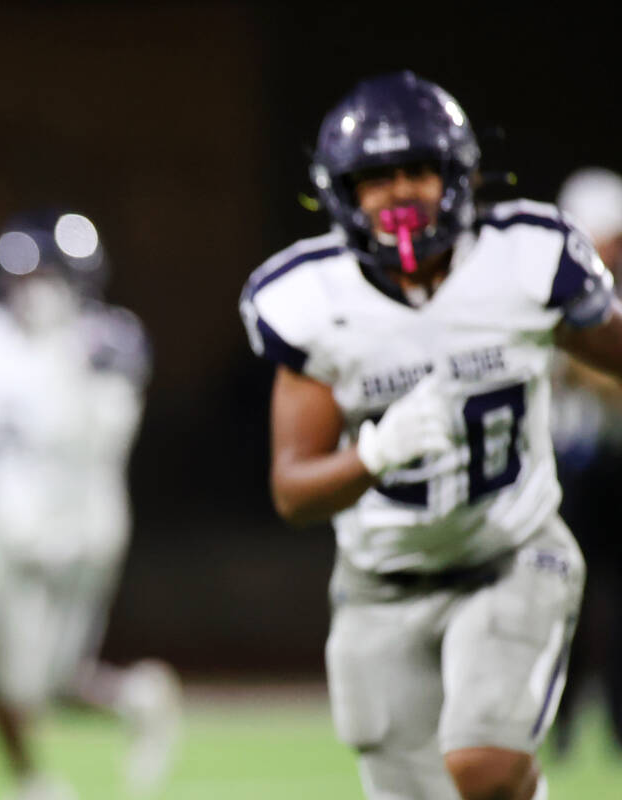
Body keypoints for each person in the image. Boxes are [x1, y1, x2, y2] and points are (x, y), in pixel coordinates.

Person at [239, 70, 622, 800]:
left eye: (417, 170)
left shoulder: (525, 260)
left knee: (481, 767)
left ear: (461, 176)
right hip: (382, 580)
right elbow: (293, 492)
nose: (400, 195)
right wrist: (376, 453)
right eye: (375, 178)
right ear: (340, 195)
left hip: (510, 549)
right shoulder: (312, 300)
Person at [0, 210, 182, 800]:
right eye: (20, 278)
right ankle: (34, 782)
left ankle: (138, 697)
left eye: (45, 277)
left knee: (46, 683)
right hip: (0, 527)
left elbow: (99, 438)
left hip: (78, 529)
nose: (29, 291)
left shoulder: (108, 340)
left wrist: (65, 358)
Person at [548, 166, 622, 757]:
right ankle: (558, 723)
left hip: (614, 466)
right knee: (558, 595)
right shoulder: (551, 290)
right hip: (565, 467)